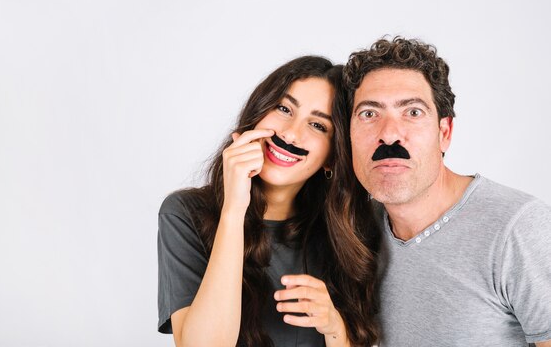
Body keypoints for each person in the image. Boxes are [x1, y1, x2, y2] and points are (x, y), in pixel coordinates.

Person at [157, 56, 380, 347]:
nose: (290, 133)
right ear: (258, 113)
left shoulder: (355, 228)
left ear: (332, 158)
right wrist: (234, 211)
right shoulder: (185, 214)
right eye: (284, 108)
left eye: (317, 125)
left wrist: (334, 326)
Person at [342, 36, 551, 346]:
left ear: (444, 133)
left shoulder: (518, 227)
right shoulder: (358, 230)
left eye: (412, 112)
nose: (388, 135)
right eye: (369, 114)